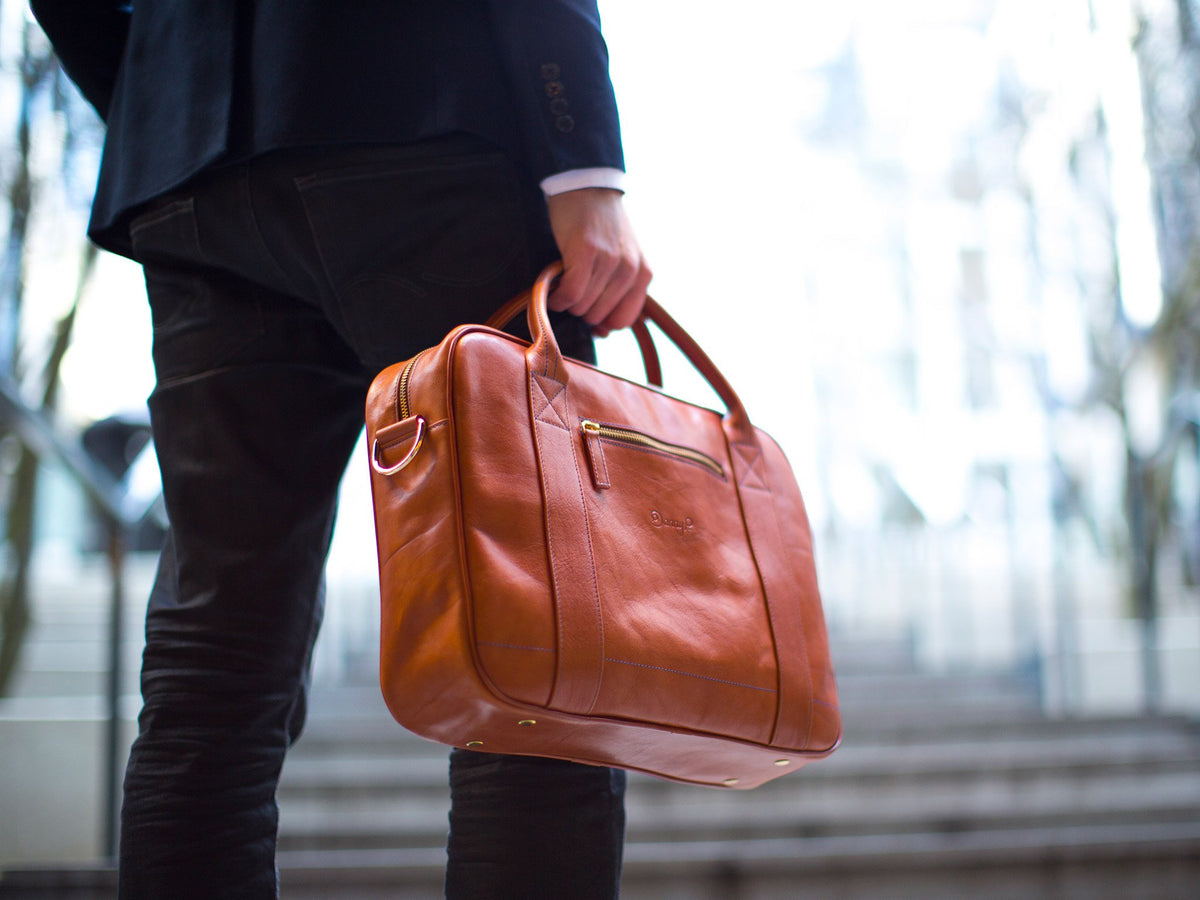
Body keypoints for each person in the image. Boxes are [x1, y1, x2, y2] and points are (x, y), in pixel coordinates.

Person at [29, 2, 652, 897]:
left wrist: (155, 96)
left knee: (213, 666)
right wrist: (581, 157)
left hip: (191, 172)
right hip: (423, 114)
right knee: (539, 649)